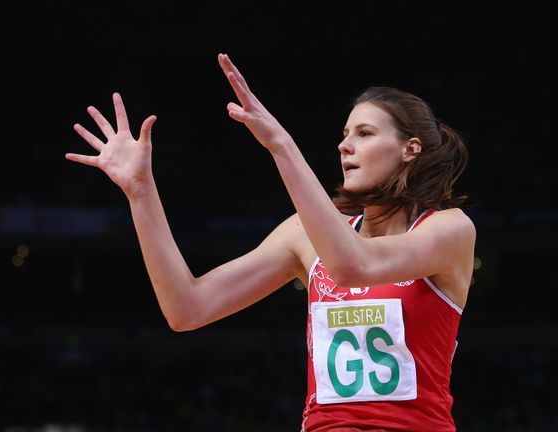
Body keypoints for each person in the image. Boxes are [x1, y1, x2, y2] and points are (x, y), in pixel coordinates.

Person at [65, 53, 475, 431]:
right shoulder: (304, 234)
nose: (344, 145)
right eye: (345, 133)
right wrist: (141, 193)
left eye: (365, 133)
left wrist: (281, 144)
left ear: (410, 149)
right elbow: (186, 308)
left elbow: (355, 267)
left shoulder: (448, 230)